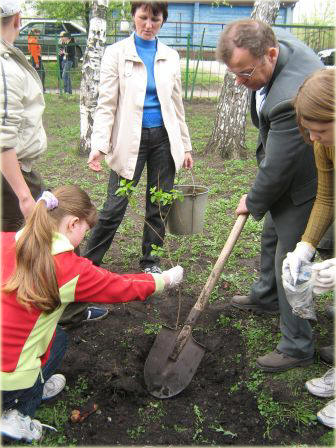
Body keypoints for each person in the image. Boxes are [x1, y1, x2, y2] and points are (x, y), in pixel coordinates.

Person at [0, 185, 184, 442]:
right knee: (46, 349)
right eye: (85, 232)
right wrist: (164, 279)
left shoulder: (6, 240)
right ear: (73, 223)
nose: (83, 240)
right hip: (9, 376)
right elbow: (120, 286)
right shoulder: (69, 269)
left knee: (59, 337)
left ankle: (24, 391)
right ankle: (15, 413)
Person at [216, 19, 323, 372]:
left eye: (244, 73)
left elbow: (279, 166)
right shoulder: (276, 46)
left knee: (289, 260)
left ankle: (297, 345)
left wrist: (254, 199)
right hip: (294, 162)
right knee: (270, 235)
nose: (238, 81)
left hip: (308, 179)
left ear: (270, 55)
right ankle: (266, 296)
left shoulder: (288, 99)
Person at [0, 0, 107, 325]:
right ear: (18, 19)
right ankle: (63, 314)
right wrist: (23, 196)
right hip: (12, 176)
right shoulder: (4, 65)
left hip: (18, 171)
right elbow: (3, 138)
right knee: (43, 241)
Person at [85, 1, 193, 274]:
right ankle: (87, 264)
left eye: (155, 19)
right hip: (127, 141)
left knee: (159, 204)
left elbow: (177, 105)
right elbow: (106, 104)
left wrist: (186, 146)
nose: (148, 25)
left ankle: (150, 262)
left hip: (164, 140)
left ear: (163, 21)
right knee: (114, 207)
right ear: (133, 16)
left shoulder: (170, 56)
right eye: (143, 17)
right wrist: (99, 145)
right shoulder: (116, 53)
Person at [282, 68, 335, 429]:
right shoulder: (323, 141)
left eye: (322, 129)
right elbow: (328, 195)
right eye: (309, 129)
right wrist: (305, 245)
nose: (314, 138)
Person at [28, 28, 45, 92]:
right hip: (36, 58)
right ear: (35, 33)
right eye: (38, 34)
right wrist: (37, 62)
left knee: (37, 74)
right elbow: (34, 52)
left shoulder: (31, 39)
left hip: (35, 57)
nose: (38, 35)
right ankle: (41, 89)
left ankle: (39, 88)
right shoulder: (33, 41)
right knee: (41, 74)